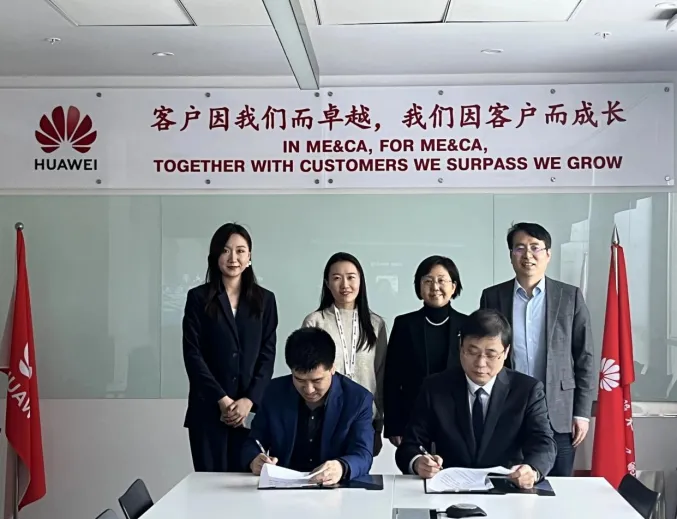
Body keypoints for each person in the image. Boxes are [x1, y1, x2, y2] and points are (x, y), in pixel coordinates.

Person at [479, 222, 594, 477]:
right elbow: (485, 355)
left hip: (559, 413)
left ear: (548, 254)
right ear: (511, 255)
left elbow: (584, 357)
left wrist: (582, 413)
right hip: (507, 411)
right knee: (507, 485)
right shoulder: (493, 297)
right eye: (519, 248)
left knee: (559, 487)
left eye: (535, 247)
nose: (528, 255)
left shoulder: (570, 296)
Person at [395, 309, 556, 489]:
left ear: (506, 352)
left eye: (491, 354)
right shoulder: (435, 387)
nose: (480, 363)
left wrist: (532, 470)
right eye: (472, 352)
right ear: (461, 348)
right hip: (450, 490)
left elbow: (544, 443)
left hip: (507, 488)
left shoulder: (527, 390)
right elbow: (409, 445)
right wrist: (418, 462)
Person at [182, 223, 278, 472]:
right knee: (208, 484)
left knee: (247, 483)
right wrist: (221, 399)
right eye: (225, 250)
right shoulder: (198, 298)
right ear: (215, 256)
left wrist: (249, 400)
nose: (233, 258)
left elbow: (267, 356)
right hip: (207, 410)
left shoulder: (265, 301)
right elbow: (193, 355)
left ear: (249, 257)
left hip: (250, 414)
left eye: (240, 251)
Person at [242, 327, 374, 485]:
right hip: (283, 487)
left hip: (335, 488)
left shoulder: (358, 399)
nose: (309, 390)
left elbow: (363, 454)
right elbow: (254, 441)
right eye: (300, 380)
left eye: (317, 380)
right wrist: (254, 459)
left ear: (332, 368)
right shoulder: (274, 392)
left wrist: (341, 467)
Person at [302, 252, 388, 455]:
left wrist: (379, 421)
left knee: (358, 469)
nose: (345, 285)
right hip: (325, 415)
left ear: (361, 281)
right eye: (336, 278)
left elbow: (381, 373)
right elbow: (306, 372)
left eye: (351, 277)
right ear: (327, 283)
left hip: (365, 417)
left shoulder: (376, 324)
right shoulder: (315, 321)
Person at [384, 255, 467, 447]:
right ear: (419, 287)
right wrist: (394, 425)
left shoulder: (467, 325)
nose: (435, 287)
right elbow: (392, 378)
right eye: (428, 281)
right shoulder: (404, 324)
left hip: (457, 422)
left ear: (454, 287)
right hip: (413, 418)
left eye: (441, 280)